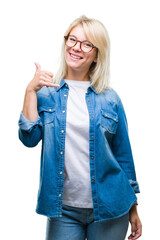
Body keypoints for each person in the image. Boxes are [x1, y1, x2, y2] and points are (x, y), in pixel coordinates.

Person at [18, 15, 142, 240]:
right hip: (63, 209)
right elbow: (29, 138)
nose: (76, 47)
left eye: (86, 44)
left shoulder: (110, 98)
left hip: (111, 206)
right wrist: (30, 91)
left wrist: (133, 205)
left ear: (96, 55)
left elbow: (123, 155)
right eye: (72, 39)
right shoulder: (46, 93)